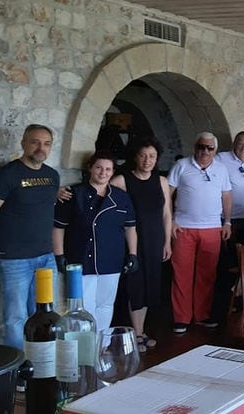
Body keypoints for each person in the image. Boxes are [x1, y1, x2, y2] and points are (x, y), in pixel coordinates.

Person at [0, 124, 60, 348]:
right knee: (15, 319)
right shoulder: (7, 175)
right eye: (35, 142)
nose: (41, 148)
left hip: (45, 257)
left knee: (45, 315)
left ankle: (42, 365)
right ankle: (19, 371)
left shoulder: (52, 176)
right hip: (14, 260)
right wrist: (7, 242)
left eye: (47, 143)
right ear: (23, 143)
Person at [53, 151, 138, 331]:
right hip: (80, 259)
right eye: (99, 167)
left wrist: (133, 254)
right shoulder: (73, 194)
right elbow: (58, 227)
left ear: (113, 172)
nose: (103, 172)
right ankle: (86, 350)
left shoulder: (121, 197)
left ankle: (103, 345)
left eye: (108, 169)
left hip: (111, 260)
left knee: (106, 305)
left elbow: (130, 228)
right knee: (83, 308)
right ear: (90, 168)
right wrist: (59, 255)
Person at [109, 137, 171, 351]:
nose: (147, 160)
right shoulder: (122, 180)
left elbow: (166, 215)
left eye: (152, 156)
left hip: (155, 240)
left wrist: (167, 242)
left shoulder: (162, 181)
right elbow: (99, 189)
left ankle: (140, 330)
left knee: (149, 286)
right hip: (132, 240)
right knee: (135, 285)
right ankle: (135, 334)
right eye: (143, 155)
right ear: (135, 157)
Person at [167, 132, 232, 333]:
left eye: (209, 148)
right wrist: (170, 221)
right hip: (184, 227)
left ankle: (202, 315)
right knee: (181, 274)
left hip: (212, 228)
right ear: (195, 147)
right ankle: (181, 318)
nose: (205, 151)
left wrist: (227, 222)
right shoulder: (182, 166)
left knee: (207, 275)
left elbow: (227, 196)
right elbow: (166, 194)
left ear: (215, 151)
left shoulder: (221, 169)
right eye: (201, 147)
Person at [212, 131, 244, 327]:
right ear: (234, 144)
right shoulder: (222, 158)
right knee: (229, 260)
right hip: (229, 217)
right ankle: (229, 301)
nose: (243, 148)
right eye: (240, 144)